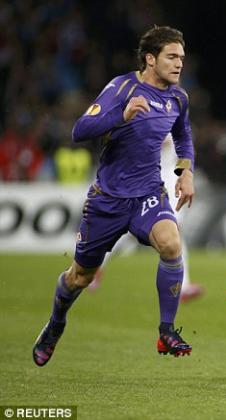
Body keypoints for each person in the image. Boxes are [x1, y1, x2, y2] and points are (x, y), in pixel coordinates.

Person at [33, 26, 196, 366]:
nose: (180, 64)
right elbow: (80, 130)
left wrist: (186, 173)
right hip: (108, 199)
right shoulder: (121, 88)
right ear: (151, 59)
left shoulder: (178, 97)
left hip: (149, 193)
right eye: (172, 57)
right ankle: (55, 324)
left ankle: (166, 330)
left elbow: (183, 138)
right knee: (80, 276)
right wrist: (121, 116)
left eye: (181, 57)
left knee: (171, 243)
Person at [89, 134, 204, 303]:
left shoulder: (174, 114)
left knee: (156, 232)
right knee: (149, 231)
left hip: (171, 178)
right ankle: (95, 264)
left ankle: (183, 286)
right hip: (151, 180)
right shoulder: (149, 115)